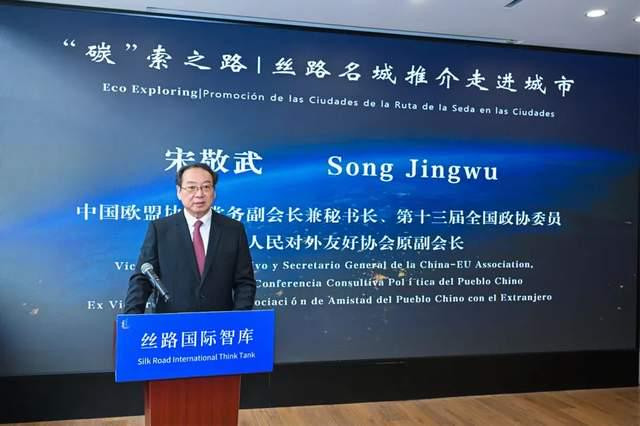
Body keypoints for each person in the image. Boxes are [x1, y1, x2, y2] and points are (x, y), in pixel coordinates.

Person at [124, 163, 256, 314]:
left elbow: (245, 282)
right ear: (179, 191)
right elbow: (142, 279)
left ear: (214, 192)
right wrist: (130, 319)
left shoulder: (233, 229)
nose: (199, 194)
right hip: (171, 323)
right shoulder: (160, 229)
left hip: (220, 323)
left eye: (206, 187)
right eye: (192, 187)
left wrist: (238, 319)